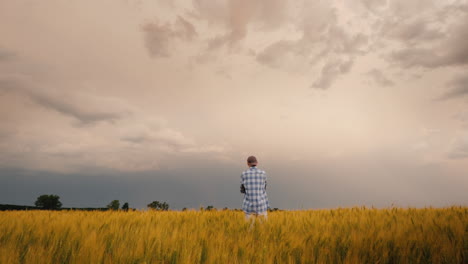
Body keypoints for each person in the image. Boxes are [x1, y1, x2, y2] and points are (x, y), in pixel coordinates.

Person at [240, 155, 269, 221]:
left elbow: (242, 190)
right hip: (261, 206)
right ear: (257, 163)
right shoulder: (263, 173)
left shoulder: (244, 174)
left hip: (249, 207)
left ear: (247, 163)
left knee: (249, 230)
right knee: (264, 229)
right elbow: (264, 188)